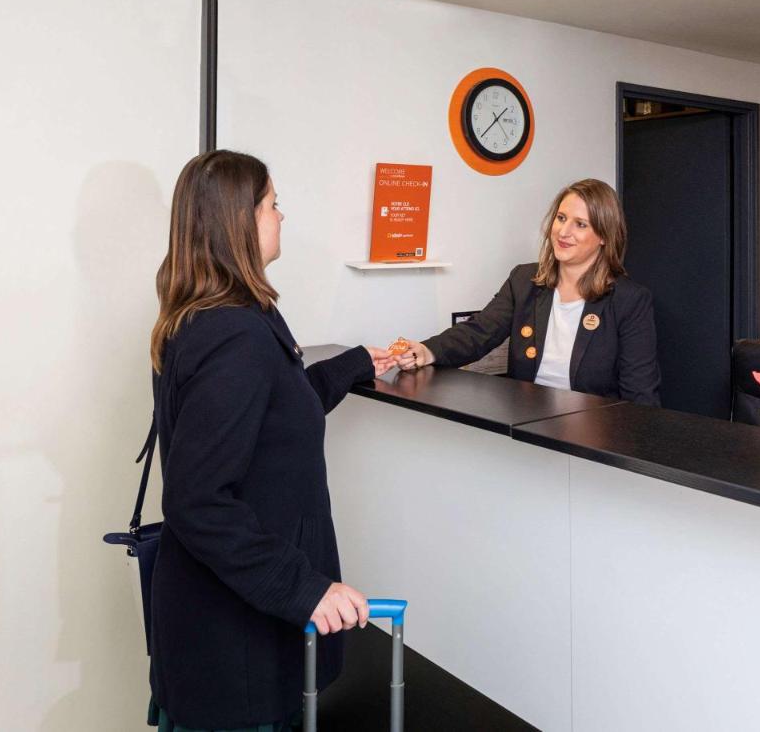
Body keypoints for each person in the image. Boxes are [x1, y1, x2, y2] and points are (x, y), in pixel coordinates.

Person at [146, 150, 396, 730]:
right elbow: (197, 501)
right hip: (236, 646)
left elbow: (276, 412)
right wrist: (305, 589)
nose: (281, 216)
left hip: (222, 634)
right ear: (241, 220)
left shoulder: (212, 316)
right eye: (273, 204)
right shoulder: (235, 335)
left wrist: (356, 363)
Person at [395, 178, 661, 405]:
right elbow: (479, 332)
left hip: (594, 435)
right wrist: (427, 350)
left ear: (604, 236)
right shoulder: (524, 280)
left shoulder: (630, 300)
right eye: (561, 218)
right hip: (528, 424)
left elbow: (640, 394)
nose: (564, 232)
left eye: (581, 224)